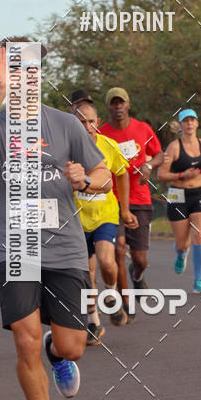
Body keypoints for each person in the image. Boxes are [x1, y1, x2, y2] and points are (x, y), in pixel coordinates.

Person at [0, 38, 112, 400]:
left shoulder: (65, 124)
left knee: (73, 347)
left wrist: (85, 178)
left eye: (31, 69)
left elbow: (102, 173)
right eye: (15, 69)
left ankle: (57, 352)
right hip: (15, 248)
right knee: (25, 341)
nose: (25, 77)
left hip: (64, 248)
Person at [72, 102, 137, 340]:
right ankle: (93, 322)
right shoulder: (66, 149)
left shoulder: (109, 146)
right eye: (81, 122)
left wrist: (126, 209)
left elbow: (122, 174)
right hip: (77, 219)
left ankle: (110, 293)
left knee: (107, 261)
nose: (87, 127)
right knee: (86, 273)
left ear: (97, 123)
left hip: (105, 215)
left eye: (91, 121)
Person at [99, 88, 163, 313]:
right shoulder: (101, 133)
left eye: (121, 103)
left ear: (128, 105)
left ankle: (137, 276)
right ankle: (125, 303)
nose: (117, 107)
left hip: (140, 198)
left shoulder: (143, 129)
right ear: (108, 107)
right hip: (111, 200)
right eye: (113, 104)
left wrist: (149, 165)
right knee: (118, 248)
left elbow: (159, 154)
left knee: (140, 258)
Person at [157, 109, 201, 293]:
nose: (189, 124)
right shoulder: (174, 147)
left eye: (192, 120)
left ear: (197, 124)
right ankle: (181, 252)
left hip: (200, 193)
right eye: (186, 121)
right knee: (183, 242)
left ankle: (198, 281)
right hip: (178, 195)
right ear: (181, 125)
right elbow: (161, 174)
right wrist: (182, 174)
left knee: (199, 236)